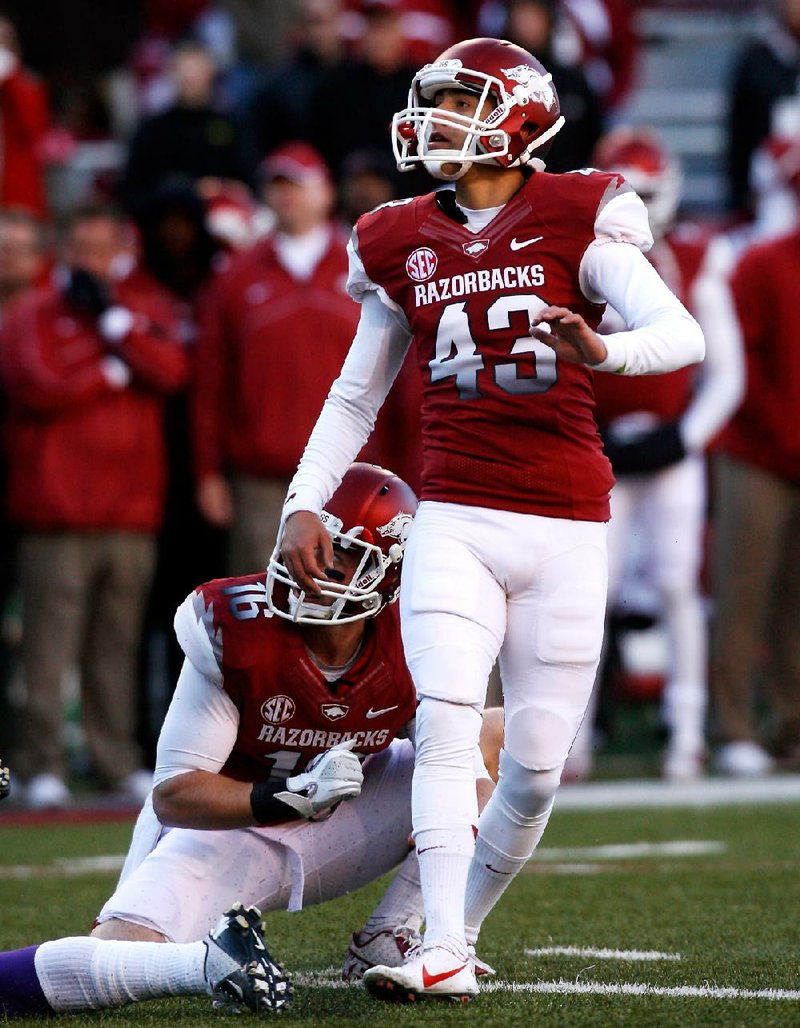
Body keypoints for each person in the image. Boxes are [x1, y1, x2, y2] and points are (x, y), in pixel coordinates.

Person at [279, 36, 704, 1002]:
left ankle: (451, 931)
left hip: (565, 517)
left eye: (460, 103)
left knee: (539, 767)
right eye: (434, 103)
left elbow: (683, 336)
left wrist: (603, 352)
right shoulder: (394, 236)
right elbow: (355, 396)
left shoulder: (578, 210)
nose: (434, 122)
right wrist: (303, 502)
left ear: (515, 116)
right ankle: (437, 953)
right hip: (457, 513)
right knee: (445, 725)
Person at [0, 463, 500, 1017]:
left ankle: (390, 932)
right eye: (314, 540)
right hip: (227, 822)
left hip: (348, 811)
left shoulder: (418, 636)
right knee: (118, 951)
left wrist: (454, 814)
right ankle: (208, 964)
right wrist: (291, 794)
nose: (318, 562)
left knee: (494, 737)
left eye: (345, 552)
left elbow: (466, 769)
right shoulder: (237, 625)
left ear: (391, 574)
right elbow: (175, 794)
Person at [566, 127, 744, 781]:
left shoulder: (700, 256)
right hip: (600, 449)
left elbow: (726, 372)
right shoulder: (577, 258)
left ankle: (687, 734)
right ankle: (574, 740)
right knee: (591, 595)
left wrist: (683, 437)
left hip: (670, 452)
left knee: (677, 585)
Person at [0, 203, 190, 809]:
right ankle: (40, 763)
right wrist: (107, 373)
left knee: (116, 646)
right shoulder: (35, 312)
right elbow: (36, 384)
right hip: (56, 510)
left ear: (122, 249)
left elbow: (170, 369)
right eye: (81, 248)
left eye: (103, 248)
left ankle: (114, 760)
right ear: (64, 251)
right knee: (48, 649)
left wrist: (116, 329)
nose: (92, 261)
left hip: (130, 509)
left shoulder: (139, 308)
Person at [192, 142, 360, 574]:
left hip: (351, 476)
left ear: (326, 193)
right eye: (278, 186)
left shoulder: (366, 265)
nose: (288, 196)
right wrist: (208, 471)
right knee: (262, 600)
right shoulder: (236, 275)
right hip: (263, 478)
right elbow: (212, 379)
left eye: (299, 185)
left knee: (350, 602)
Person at [708, 199, 800, 777]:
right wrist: (787, 438)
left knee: (797, 602)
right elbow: (740, 367)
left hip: (783, 444)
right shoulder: (762, 264)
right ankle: (733, 728)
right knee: (743, 594)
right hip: (757, 456)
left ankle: (791, 725)